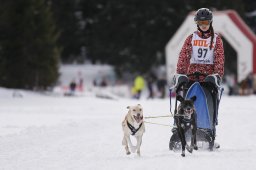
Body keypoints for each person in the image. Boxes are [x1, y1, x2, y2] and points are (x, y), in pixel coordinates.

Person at [174, 8, 225, 150]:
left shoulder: (216, 40)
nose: (204, 25)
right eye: (201, 22)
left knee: (211, 102)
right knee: (185, 100)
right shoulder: (191, 38)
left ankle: (210, 130)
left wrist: (217, 74)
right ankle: (178, 126)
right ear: (197, 23)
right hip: (192, 75)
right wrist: (180, 73)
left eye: (206, 22)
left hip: (208, 78)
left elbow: (219, 59)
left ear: (210, 23)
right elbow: (184, 56)